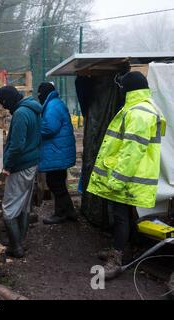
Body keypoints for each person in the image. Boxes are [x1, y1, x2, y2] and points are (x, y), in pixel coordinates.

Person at [87, 71, 166, 280]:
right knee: (124, 215)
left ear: (128, 89)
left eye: (122, 87)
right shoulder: (140, 107)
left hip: (128, 177)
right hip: (131, 176)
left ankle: (117, 259)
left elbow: (132, 151)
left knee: (121, 216)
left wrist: (117, 179)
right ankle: (124, 248)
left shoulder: (138, 112)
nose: (120, 90)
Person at [0, 86, 42, 258]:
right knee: (23, 204)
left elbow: (17, 145)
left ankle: (16, 247)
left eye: (3, 103)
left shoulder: (21, 114)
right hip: (31, 162)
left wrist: (7, 165)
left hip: (21, 165)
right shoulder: (32, 108)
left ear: (7, 101)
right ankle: (20, 241)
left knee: (8, 208)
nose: (3, 107)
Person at [37, 82, 77, 225]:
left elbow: (49, 129)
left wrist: (35, 130)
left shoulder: (52, 106)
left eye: (39, 94)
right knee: (58, 182)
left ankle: (60, 214)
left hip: (56, 152)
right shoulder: (55, 103)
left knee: (55, 183)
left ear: (44, 94)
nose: (38, 97)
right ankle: (70, 212)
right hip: (59, 151)